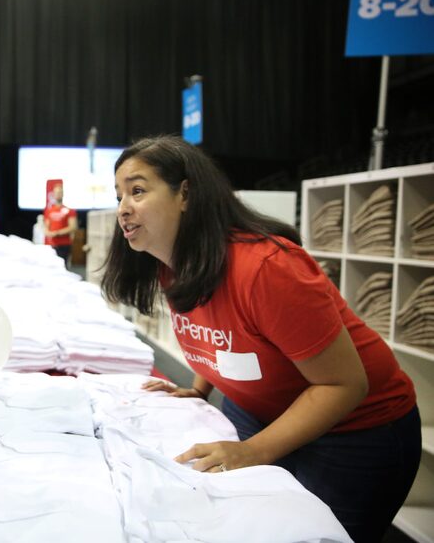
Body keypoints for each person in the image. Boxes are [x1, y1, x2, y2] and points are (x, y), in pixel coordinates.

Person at [102, 135, 420, 543]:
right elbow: (224, 332)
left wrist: (254, 452)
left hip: (357, 432)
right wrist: (199, 387)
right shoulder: (172, 265)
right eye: (119, 196)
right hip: (264, 409)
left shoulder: (266, 268)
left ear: (185, 193)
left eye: (138, 190)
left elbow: (345, 384)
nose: (123, 208)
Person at [43, 182, 78, 262]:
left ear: (63, 194)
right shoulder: (49, 210)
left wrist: (57, 233)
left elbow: (73, 227)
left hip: (64, 244)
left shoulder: (69, 211)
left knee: (63, 268)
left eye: (60, 192)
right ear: (53, 194)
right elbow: (46, 227)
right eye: (56, 192)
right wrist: (49, 233)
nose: (58, 194)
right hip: (51, 245)